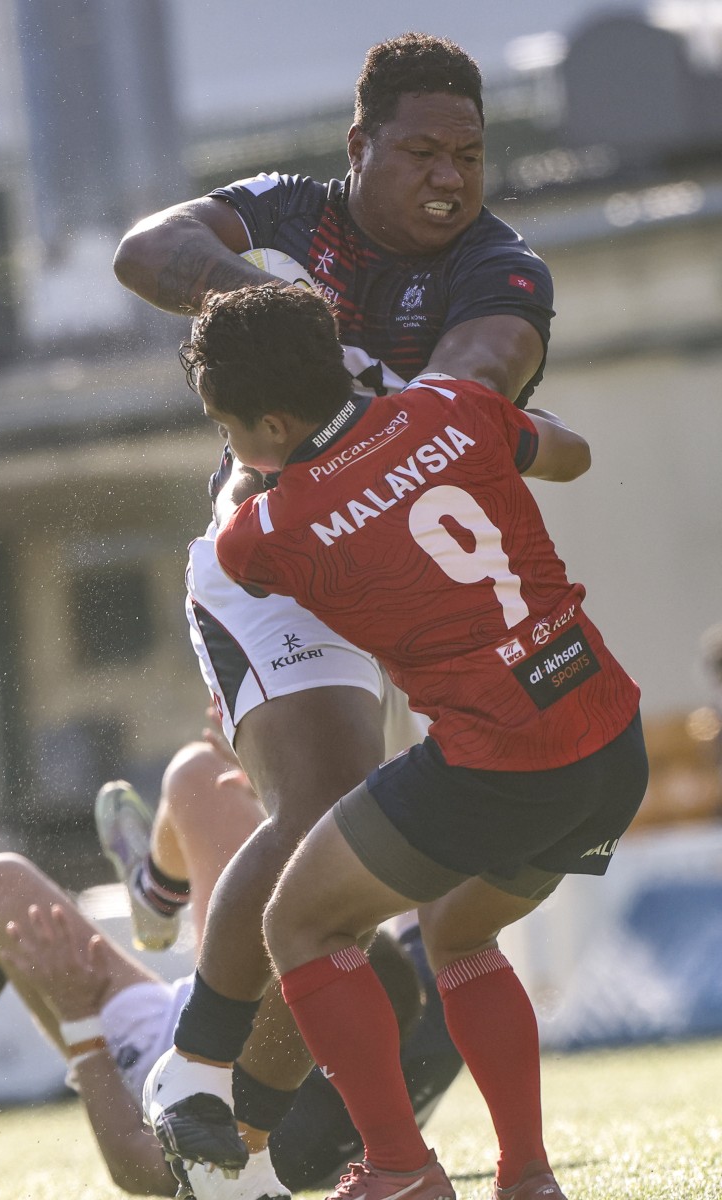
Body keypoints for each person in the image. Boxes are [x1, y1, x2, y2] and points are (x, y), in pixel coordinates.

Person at [114, 30, 556, 1183]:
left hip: (402, 592)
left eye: (468, 152)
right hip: (268, 561)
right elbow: (144, 249)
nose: (450, 176)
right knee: (318, 805)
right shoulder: (296, 212)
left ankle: (241, 1133)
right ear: (360, 146)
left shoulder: (499, 266)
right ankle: (190, 1074)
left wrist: (354, 381)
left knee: (357, 881)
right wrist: (282, 314)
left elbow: (487, 364)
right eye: (421, 151)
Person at [157, 282, 649, 1200]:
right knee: (459, 931)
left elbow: (234, 558)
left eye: (228, 427)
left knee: (298, 923)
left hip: (499, 765)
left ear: (264, 422)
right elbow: (571, 457)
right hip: (609, 738)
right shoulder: (449, 403)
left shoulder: (267, 529)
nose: (230, 445)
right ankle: (528, 1177)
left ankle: (399, 1170)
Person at [0, 722, 460, 1198]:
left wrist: (78, 1019)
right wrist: (287, 801)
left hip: (163, 1055)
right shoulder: (423, 1007)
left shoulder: (266, 1131)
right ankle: (157, 892)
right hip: (221, 1016)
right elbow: (403, 874)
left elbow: (134, 1169)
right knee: (201, 774)